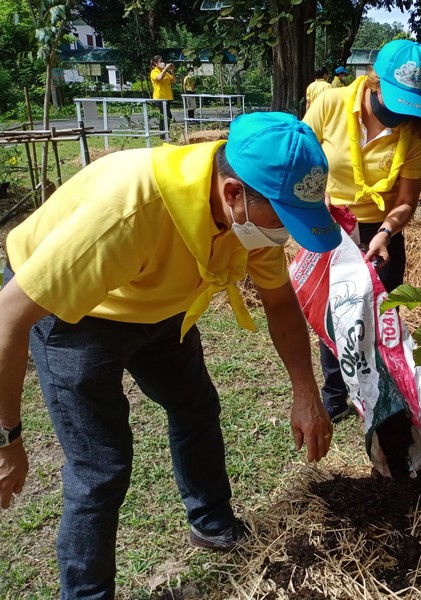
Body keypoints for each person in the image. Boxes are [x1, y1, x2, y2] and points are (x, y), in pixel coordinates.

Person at [0, 112, 340, 599]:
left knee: (196, 407)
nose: (285, 234)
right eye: (283, 220)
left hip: (160, 304)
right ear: (232, 193)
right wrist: (7, 439)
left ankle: (212, 523)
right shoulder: (128, 210)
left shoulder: (249, 215)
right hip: (75, 313)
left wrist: (306, 390)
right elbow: (8, 317)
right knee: (100, 467)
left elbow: (280, 300)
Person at [303, 39, 421, 423]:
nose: (397, 115)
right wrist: (316, 194)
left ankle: (379, 394)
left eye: (408, 106)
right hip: (330, 224)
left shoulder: (416, 132)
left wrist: (386, 232)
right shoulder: (330, 105)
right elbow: (299, 158)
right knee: (335, 314)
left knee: (379, 317)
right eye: (393, 103)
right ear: (374, 81)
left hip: (382, 232)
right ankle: (334, 394)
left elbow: (406, 201)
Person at [150, 54, 175, 135]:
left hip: (167, 97)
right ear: (155, 63)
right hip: (159, 97)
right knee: (166, 115)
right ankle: (164, 135)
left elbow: (174, 81)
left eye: (162, 61)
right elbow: (159, 78)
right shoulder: (154, 72)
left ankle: (164, 134)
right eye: (160, 62)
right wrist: (165, 69)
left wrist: (172, 71)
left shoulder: (165, 73)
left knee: (165, 116)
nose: (162, 63)